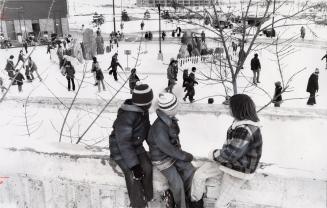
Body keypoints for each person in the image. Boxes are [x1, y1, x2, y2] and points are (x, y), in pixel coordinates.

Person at [192, 94, 262, 208]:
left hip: (240, 169)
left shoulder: (245, 129)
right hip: (228, 162)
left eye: (230, 107)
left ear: (237, 109)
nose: (228, 109)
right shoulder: (239, 123)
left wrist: (214, 154)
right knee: (199, 175)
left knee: (220, 204)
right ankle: (195, 203)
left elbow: (231, 154)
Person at [147, 93, 203, 208]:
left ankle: (189, 197)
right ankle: (181, 204)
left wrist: (184, 157)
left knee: (189, 170)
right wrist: (185, 156)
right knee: (177, 184)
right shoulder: (159, 127)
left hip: (171, 155)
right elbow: (168, 149)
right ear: (169, 109)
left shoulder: (169, 120)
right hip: (162, 160)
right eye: (176, 106)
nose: (178, 107)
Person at [109, 84, 154, 208]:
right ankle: (138, 204)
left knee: (147, 167)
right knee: (132, 175)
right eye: (149, 102)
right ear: (144, 103)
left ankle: (147, 198)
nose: (151, 104)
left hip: (136, 146)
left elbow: (147, 130)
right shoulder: (127, 116)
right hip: (120, 149)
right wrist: (134, 166)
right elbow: (123, 143)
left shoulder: (143, 112)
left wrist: (155, 146)